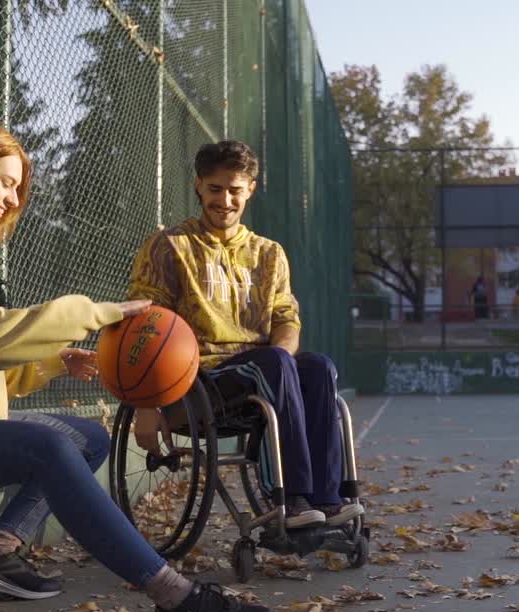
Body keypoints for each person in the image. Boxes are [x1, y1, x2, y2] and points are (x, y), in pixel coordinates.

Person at [0, 117, 272, 612]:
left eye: (18, 188)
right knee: (49, 447)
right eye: (6, 182)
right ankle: (175, 597)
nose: (13, 199)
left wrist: (53, 362)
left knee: (88, 437)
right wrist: (96, 313)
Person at [127, 140, 364, 531]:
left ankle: (328, 499)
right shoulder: (169, 246)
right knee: (272, 364)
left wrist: (283, 357)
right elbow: (145, 325)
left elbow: (286, 319)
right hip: (198, 378)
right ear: (198, 186)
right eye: (215, 189)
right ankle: (289, 498)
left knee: (318, 367)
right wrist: (146, 405)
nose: (225, 200)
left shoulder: (269, 253)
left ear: (250, 189)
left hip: (265, 369)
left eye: (235, 190)